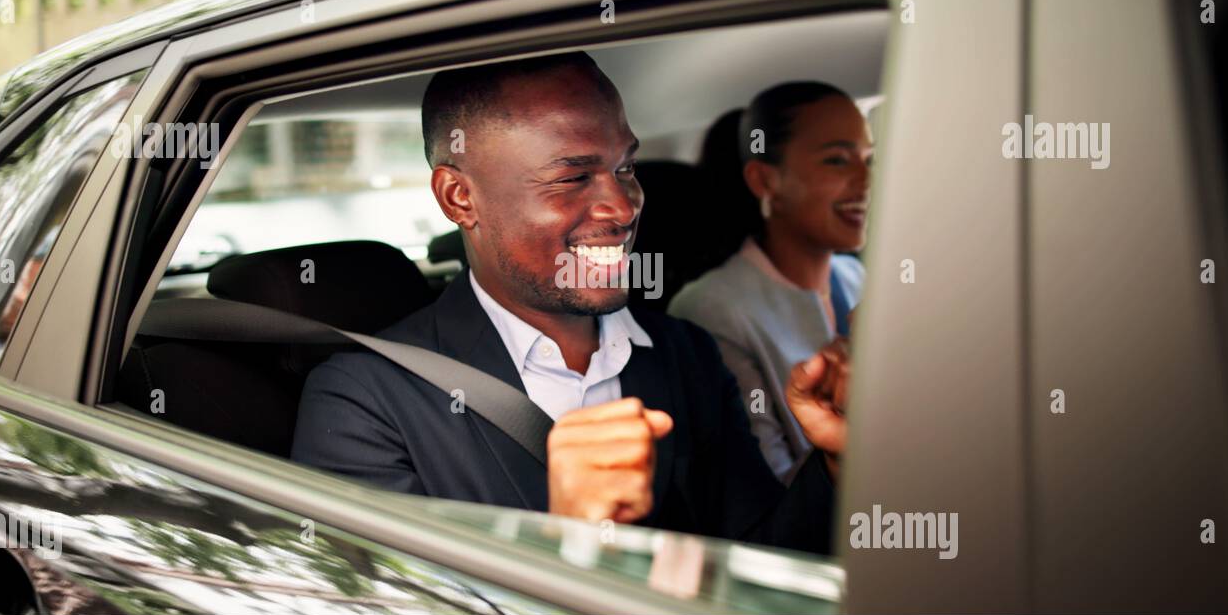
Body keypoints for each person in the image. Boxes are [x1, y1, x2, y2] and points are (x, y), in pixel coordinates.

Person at [291, 53, 852, 554]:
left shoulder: (685, 353)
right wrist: (563, 544)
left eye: (624, 168)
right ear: (460, 198)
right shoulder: (365, 400)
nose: (622, 205)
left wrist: (833, 459)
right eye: (573, 177)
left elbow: (756, 560)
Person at [669, 82, 871, 484]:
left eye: (869, 159)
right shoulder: (710, 310)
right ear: (765, 181)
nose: (866, 180)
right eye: (837, 160)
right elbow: (766, 494)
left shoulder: (855, 275)